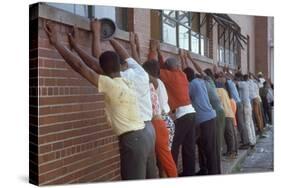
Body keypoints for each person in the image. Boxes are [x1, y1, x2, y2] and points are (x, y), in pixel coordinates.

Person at [44, 21, 156, 180]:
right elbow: (95, 64)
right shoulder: (131, 78)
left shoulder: (111, 85)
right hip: (148, 134)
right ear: (121, 65)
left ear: (103, 71)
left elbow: (81, 67)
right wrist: (77, 47)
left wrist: (57, 43)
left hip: (134, 140)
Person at [148, 40, 196, 176]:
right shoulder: (182, 75)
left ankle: (172, 175)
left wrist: (153, 51)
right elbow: (164, 65)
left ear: (167, 68)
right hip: (192, 113)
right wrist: (160, 53)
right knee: (189, 147)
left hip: (183, 116)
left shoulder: (167, 76)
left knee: (173, 146)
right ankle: (189, 175)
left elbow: (153, 68)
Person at [183, 50, 224, 174]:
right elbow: (191, 72)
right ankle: (205, 169)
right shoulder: (204, 81)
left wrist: (185, 59)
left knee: (208, 148)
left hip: (204, 119)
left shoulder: (191, 86)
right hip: (210, 117)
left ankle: (213, 173)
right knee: (205, 146)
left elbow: (187, 77)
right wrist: (187, 58)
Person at [236, 74, 256, 149]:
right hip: (249, 104)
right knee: (250, 123)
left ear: (242, 79)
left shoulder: (243, 84)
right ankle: (253, 140)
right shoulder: (249, 83)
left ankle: (250, 142)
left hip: (246, 105)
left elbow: (235, 83)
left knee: (247, 123)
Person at [216, 84, 236, 159]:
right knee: (229, 134)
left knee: (228, 134)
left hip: (226, 114)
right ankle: (231, 151)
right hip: (229, 113)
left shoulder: (218, 91)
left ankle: (231, 152)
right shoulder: (224, 91)